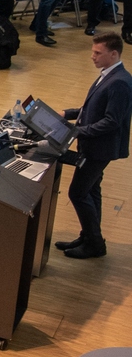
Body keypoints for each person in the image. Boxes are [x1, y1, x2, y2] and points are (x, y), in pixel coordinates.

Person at [56, 33, 132, 259]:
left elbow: (111, 121)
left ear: (114, 53)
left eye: (98, 53)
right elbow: (91, 109)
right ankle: (89, 236)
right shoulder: (109, 75)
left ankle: (95, 245)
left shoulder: (119, 82)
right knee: (91, 190)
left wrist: (76, 131)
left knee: (78, 193)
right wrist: (67, 114)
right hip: (93, 146)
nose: (92, 57)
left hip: (100, 149)